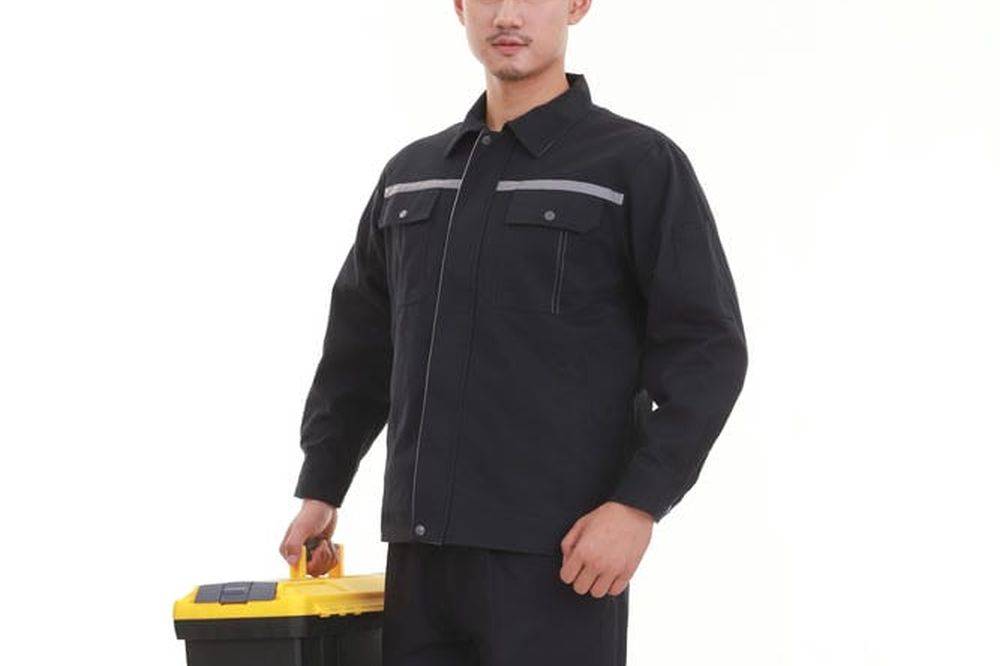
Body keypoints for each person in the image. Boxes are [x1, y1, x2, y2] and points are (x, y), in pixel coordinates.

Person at [279, 1, 748, 664]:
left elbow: (707, 350)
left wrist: (638, 505)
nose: (507, 14)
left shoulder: (636, 166)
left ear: (576, 5)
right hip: (421, 562)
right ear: (459, 8)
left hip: (560, 562)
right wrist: (322, 487)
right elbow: (360, 348)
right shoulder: (411, 175)